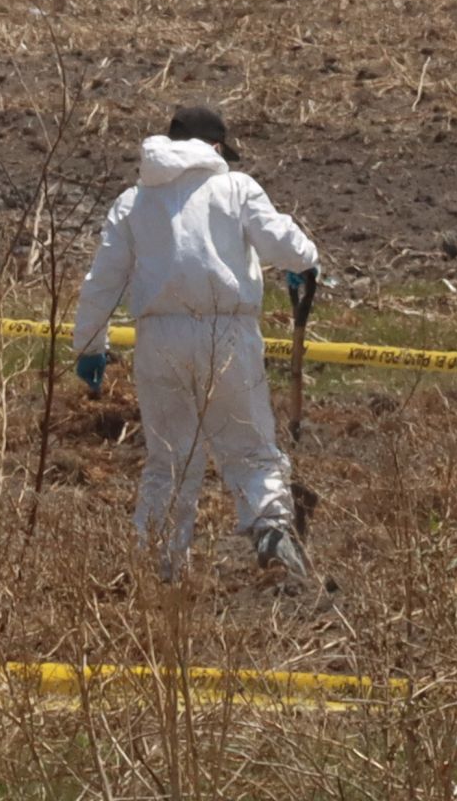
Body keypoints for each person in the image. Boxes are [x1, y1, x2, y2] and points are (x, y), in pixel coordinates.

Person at [73, 105, 321, 588]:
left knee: (169, 460)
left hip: (158, 339)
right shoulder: (235, 188)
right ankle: (274, 545)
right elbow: (285, 247)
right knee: (249, 451)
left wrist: (89, 345)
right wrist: (305, 262)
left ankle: (157, 571)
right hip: (228, 334)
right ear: (214, 147)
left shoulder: (132, 202)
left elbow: (102, 281)